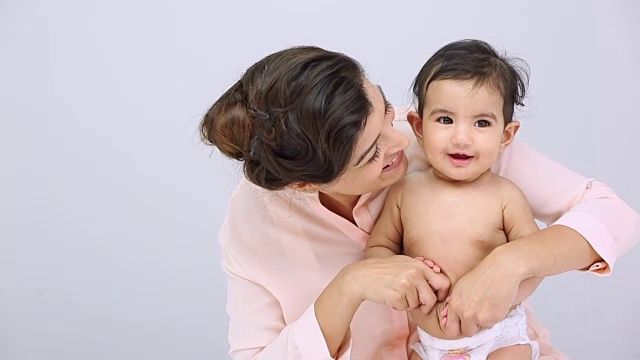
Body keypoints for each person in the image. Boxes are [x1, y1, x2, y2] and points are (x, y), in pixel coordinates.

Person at [199, 44, 640, 360]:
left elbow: (614, 214)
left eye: (386, 111)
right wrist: (349, 287)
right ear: (301, 185)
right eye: (372, 152)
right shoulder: (251, 225)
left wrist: (512, 262)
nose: (400, 142)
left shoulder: (454, 145)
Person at [366, 39, 542, 359]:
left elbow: (534, 261)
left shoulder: (505, 196)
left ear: (506, 136)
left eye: (482, 123)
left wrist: (503, 296)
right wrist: (404, 271)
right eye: (445, 120)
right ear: (419, 127)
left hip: (498, 333)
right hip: (431, 342)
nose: (462, 137)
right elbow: (378, 249)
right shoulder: (406, 192)